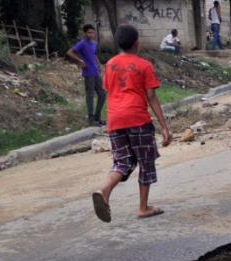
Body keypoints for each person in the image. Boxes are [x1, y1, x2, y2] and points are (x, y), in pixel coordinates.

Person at [91, 25, 172, 222]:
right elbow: (151, 96)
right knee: (145, 162)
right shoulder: (144, 65)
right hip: (137, 119)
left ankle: (105, 190)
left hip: (115, 120)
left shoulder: (109, 65)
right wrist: (164, 126)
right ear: (137, 43)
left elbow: (109, 90)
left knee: (122, 162)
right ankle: (143, 208)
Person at [66, 24, 106, 126]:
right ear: (85, 33)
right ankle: (91, 119)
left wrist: (99, 64)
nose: (91, 34)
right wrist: (79, 60)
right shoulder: (82, 43)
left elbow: (94, 54)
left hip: (96, 72)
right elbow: (70, 52)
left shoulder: (94, 43)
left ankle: (97, 117)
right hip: (88, 72)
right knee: (90, 95)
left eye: (93, 32)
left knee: (102, 94)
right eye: (89, 32)